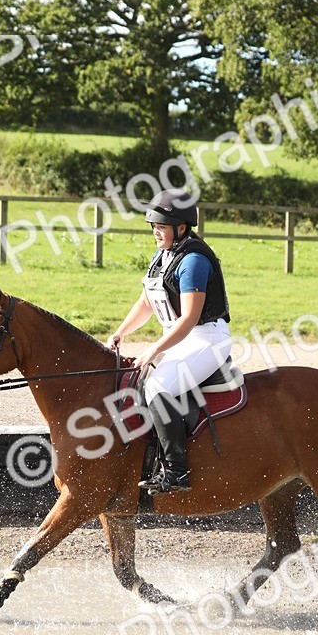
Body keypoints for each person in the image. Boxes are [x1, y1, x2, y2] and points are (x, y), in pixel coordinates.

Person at [106, 188, 232, 493]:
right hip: (180, 337)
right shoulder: (162, 256)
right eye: (153, 227)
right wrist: (121, 331)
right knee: (135, 382)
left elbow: (189, 320)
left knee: (158, 386)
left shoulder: (194, 262)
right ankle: (153, 460)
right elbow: (146, 304)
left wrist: (152, 349)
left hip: (206, 339)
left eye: (160, 227)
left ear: (181, 228)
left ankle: (176, 471)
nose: (155, 233)